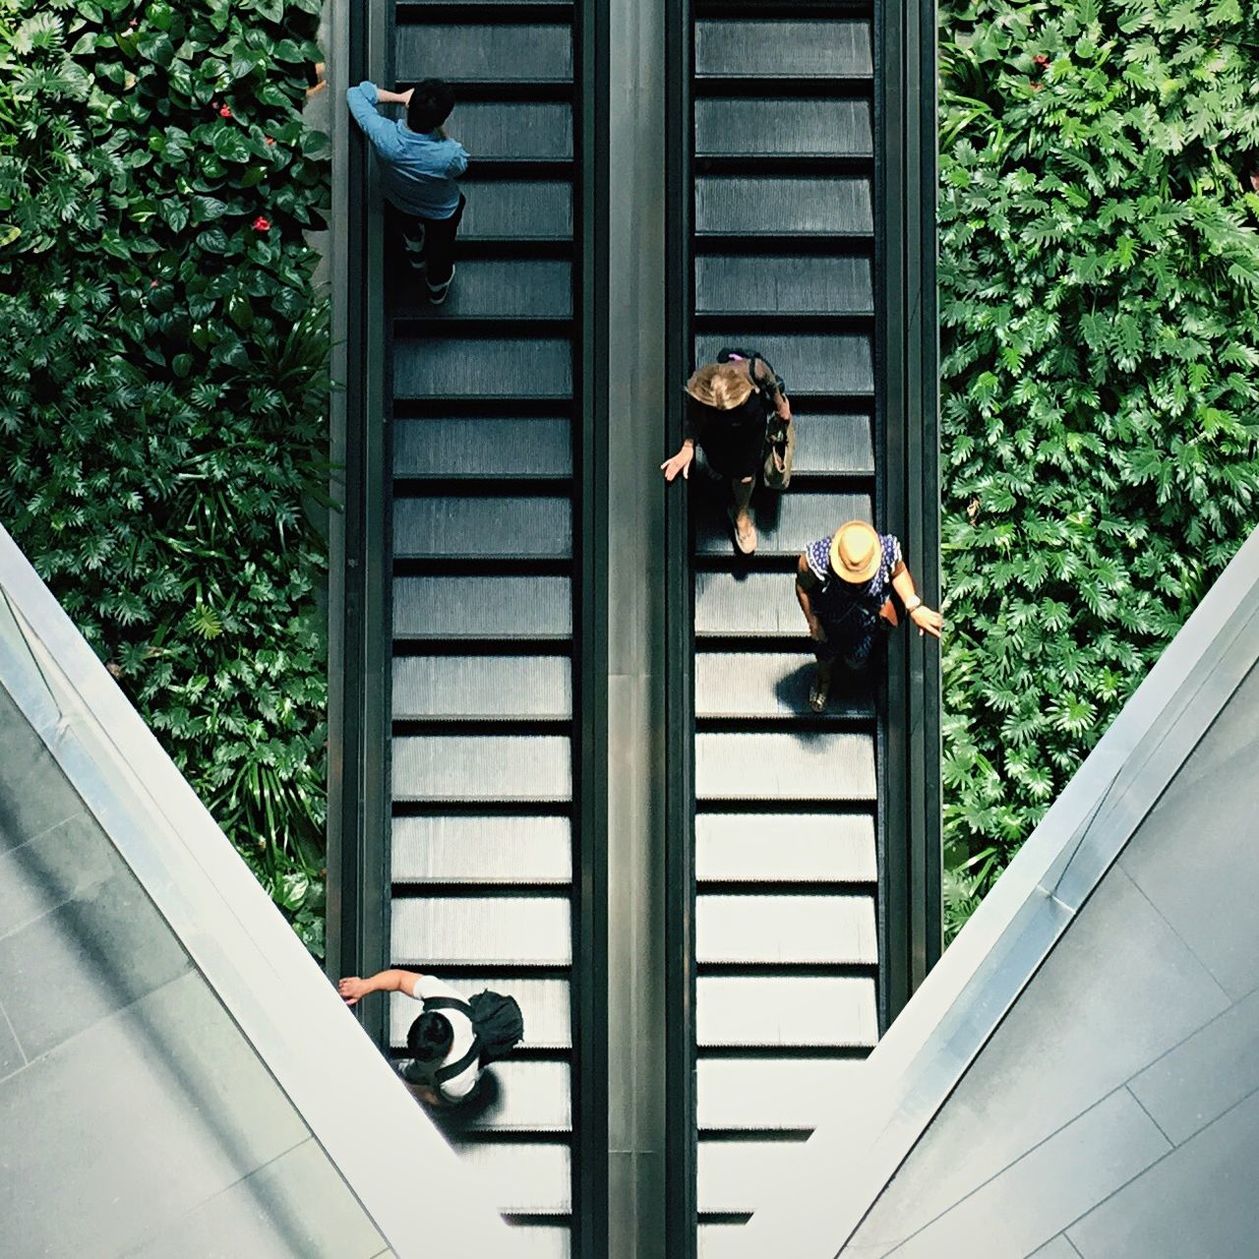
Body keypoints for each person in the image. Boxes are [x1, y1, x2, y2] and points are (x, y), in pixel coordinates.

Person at [795, 519, 943, 711]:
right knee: (825, 654)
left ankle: (850, 670)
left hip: (866, 621)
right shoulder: (816, 560)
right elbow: (802, 587)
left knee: (857, 658)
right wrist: (813, 623)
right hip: (830, 619)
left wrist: (913, 605)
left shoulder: (886, 551)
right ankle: (823, 680)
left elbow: (899, 572)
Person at [345, 78, 468, 304]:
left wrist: (401, 98)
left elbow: (355, 94)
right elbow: (460, 168)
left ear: (411, 105)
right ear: (442, 119)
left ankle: (414, 250)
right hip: (440, 210)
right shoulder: (450, 154)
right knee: (441, 249)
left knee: (406, 225)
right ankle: (436, 285)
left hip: (398, 199)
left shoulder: (384, 135)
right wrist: (442, 132)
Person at [661, 349, 793, 555]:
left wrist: (780, 405)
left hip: (750, 431)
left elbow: (769, 380)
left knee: (745, 477)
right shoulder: (701, 386)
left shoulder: (754, 369)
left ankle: (741, 513)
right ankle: (720, 470)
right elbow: (694, 416)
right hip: (717, 435)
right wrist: (688, 446)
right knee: (717, 464)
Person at [338, 968, 523, 1107]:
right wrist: (365, 985)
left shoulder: (456, 1081)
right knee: (408, 1071)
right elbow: (401, 979)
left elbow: (436, 1097)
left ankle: (405, 1072)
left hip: (461, 1070)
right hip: (453, 1054)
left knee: (415, 1076)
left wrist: (402, 1086)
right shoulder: (444, 1000)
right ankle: (404, 1070)